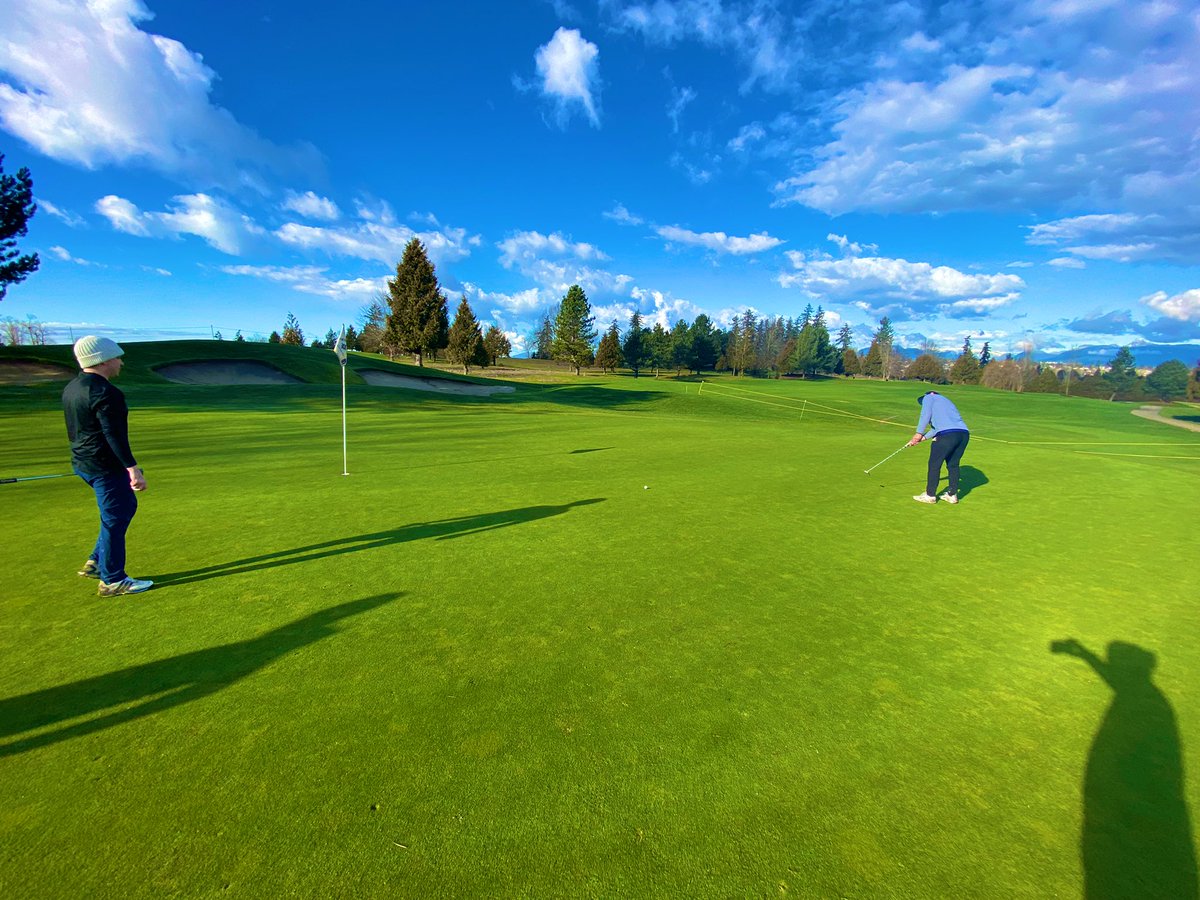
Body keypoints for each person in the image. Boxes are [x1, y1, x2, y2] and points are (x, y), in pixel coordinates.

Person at [63, 336, 153, 595]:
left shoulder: (73, 387)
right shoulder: (105, 392)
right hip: (103, 465)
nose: (120, 362)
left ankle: (96, 561)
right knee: (116, 515)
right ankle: (112, 579)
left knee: (120, 510)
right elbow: (113, 434)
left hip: (84, 463)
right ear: (102, 360)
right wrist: (132, 468)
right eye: (117, 357)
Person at [906, 390, 969, 504]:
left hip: (946, 435)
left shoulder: (929, 397)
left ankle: (930, 495)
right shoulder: (946, 402)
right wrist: (922, 438)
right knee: (953, 465)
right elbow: (936, 428)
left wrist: (918, 433)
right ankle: (952, 495)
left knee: (934, 464)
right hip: (963, 434)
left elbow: (925, 415)